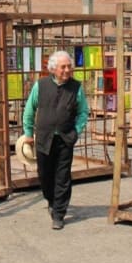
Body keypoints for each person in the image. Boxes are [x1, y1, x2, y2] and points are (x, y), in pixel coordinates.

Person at [22, 50, 89, 230]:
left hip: (65, 139)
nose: (67, 70)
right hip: (44, 137)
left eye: (69, 66)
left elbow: (83, 112)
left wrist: (76, 130)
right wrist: (28, 133)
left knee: (62, 176)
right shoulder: (41, 86)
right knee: (44, 174)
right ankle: (51, 200)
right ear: (53, 69)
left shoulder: (76, 87)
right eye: (63, 67)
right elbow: (29, 110)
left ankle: (59, 213)